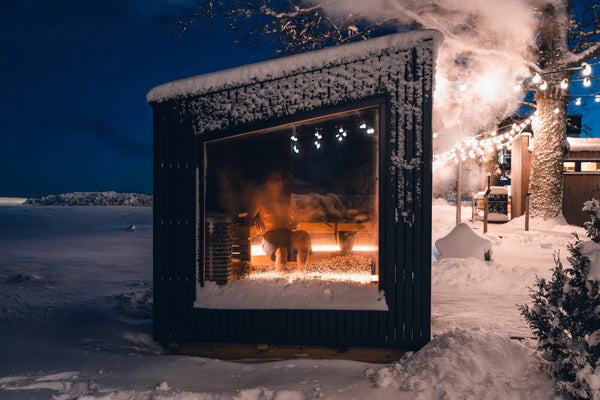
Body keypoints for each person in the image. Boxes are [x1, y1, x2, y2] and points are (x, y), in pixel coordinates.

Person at [250, 170, 311, 271]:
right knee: (282, 251)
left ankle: (302, 271)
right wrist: (256, 220)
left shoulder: (287, 199)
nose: (280, 182)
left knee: (304, 237)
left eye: (281, 179)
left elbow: (297, 217)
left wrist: (296, 221)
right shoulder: (260, 198)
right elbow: (249, 216)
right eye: (276, 180)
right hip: (270, 236)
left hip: (286, 233)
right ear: (268, 182)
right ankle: (280, 276)